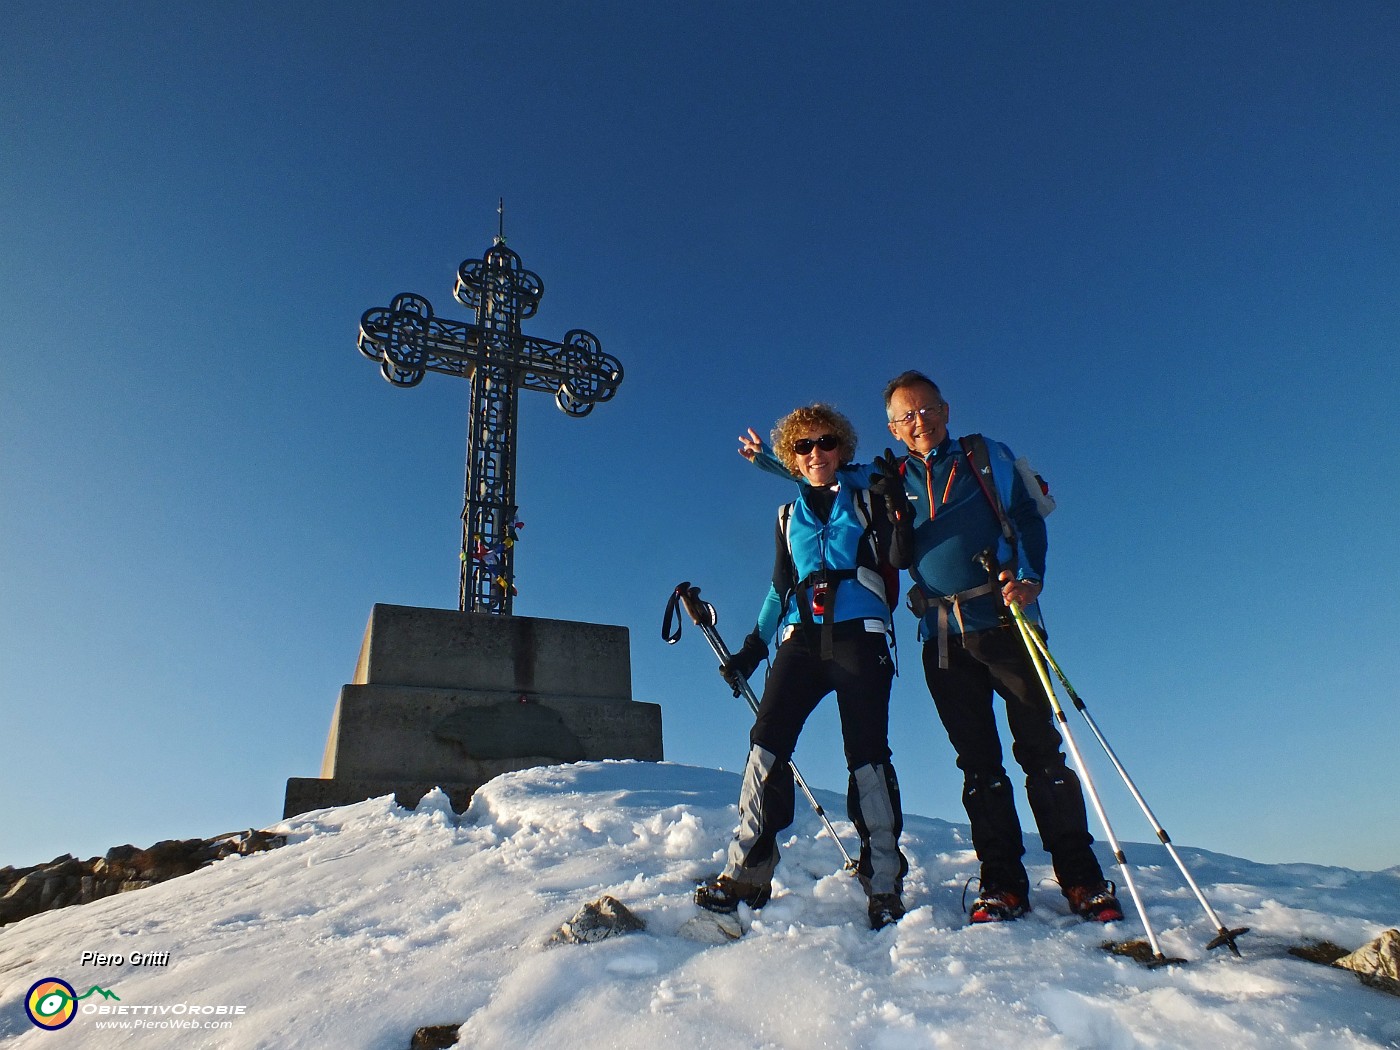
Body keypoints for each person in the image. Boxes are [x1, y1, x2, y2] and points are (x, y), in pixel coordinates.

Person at [740, 371, 1122, 924]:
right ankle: (1002, 884)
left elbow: (1027, 516)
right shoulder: (884, 477)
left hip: (1007, 621)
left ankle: (1082, 879)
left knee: (1041, 754)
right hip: (941, 637)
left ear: (945, 409)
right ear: (892, 428)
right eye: (905, 416)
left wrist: (1031, 576)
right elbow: (816, 475)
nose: (918, 422)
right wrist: (766, 462)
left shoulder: (984, 456)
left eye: (926, 410)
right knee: (978, 763)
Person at [697, 402, 915, 931]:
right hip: (798, 637)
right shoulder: (786, 515)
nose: (816, 452)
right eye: (804, 445)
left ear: (842, 447)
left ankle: (883, 881)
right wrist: (753, 646)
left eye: (826, 442)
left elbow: (898, 550)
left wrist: (893, 508)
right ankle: (746, 871)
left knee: (867, 753)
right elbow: (779, 587)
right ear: (792, 456)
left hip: (860, 636)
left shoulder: (867, 493)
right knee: (766, 742)